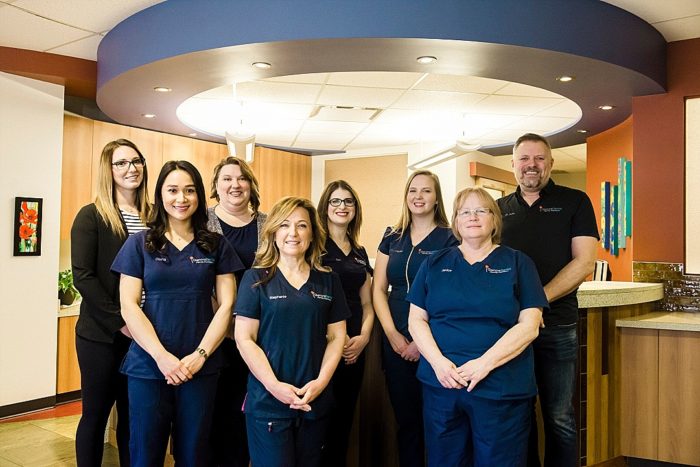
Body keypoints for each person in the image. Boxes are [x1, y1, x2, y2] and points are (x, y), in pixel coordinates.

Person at [112, 160, 241, 466]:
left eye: (189, 190)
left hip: (201, 366)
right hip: (148, 365)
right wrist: (160, 356)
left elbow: (227, 306)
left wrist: (200, 354)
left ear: (199, 196)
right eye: (172, 190)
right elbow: (129, 305)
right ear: (160, 195)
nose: (181, 198)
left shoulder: (215, 245)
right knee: (144, 452)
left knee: (194, 452)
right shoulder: (139, 243)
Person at [407, 187, 548, 466]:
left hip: (500, 386)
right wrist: (438, 364)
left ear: (494, 220)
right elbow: (416, 319)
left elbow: (530, 326)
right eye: (464, 212)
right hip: (443, 384)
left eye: (481, 210)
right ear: (456, 222)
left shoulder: (518, 263)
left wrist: (484, 364)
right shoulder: (434, 263)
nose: (472, 217)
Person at [497, 133, 599, 467]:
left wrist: (536, 303)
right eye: (524, 158)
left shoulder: (575, 201)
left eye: (539, 158)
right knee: (519, 412)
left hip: (558, 325)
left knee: (559, 416)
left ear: (551, 163)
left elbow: (584, 263)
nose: (531, 165)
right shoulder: (498, 210)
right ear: (512, 164)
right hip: (509, 330)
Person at [234, 197, 350, 467]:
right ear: (274, 232)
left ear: (312, 234)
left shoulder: (329, 280)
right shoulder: (256, 278)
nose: (293, 233)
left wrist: (320, 383)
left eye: (301, 226)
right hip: (268, 401)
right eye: (285, 225)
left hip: (315, 400)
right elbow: (244, 338)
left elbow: (336, 337)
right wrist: (274, 387)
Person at [71, 138, 152, 466]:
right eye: (121, 163)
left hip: (145, 334)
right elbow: (83, 277)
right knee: (96, 414)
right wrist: (122, 322)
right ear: (109, 170)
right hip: (102, 336)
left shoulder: (154, 216)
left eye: (136, 161)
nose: (131, 168)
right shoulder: (92, 216)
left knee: (133, 416)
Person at [373, 170, 459, 467]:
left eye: (426, 191)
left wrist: (421, 344)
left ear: (437, 198)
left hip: (436, 339)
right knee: (406, 419)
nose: (418, 197)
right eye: (413, 190)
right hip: (395, 334)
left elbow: (451, 296)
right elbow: (378, 289)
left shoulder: (451, 238)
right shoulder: (391, 236)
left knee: (438, 420)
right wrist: (392, 335)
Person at [207, 156, 268, 467]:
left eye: (241, 178)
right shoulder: (200, 221)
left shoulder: (269, 225)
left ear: (251, 185)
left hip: (257, 336)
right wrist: (225, 323)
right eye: (227, 179)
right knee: (213, 414)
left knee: (247, 409)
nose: (235, 185)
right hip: (211, 335)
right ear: (216, 186)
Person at [317, 180, 374, 467]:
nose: (342, 207)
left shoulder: (360, 252)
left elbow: (367, 303)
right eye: (336, 201)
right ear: (325, 207)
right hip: (322, 343)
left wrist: (363, 337)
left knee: (343, 418)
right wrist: (333, 342)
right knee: (319, 418)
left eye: (348, 201)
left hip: (354, 345)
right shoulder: (313, 246)